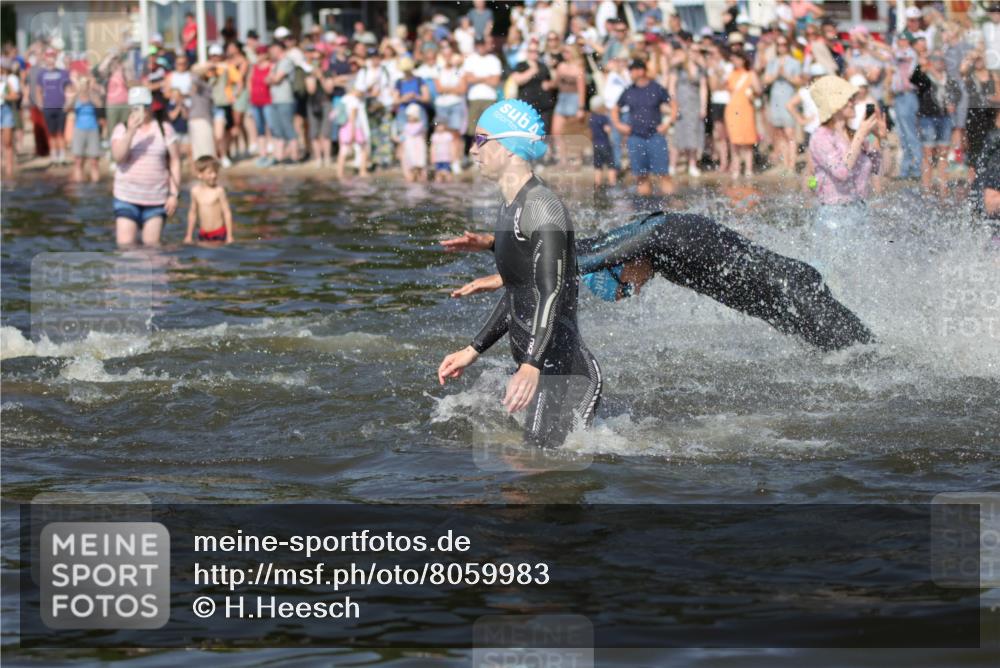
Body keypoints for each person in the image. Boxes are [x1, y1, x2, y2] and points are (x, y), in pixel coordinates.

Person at [444, 211, 876, 352]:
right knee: (855, 360)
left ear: (626, 264)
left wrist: (503, 272)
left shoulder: (661, 234)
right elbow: (588, 246)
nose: (634, 290)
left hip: (796, 294)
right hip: (785, 306)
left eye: (624, 287)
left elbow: (585, 258)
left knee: (868, 357)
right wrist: (491, 243)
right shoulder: (657, 250)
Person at [437, 99, 602, 448]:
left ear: (509, 148)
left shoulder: (542, 207)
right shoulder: (511, 202)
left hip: (562, 370)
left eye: (481, 140)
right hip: (541, 363)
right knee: (526, 473)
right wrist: (473, 350)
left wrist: (531, 364)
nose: (472, 149)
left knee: (534, 478)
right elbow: (519, 291)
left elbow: (550, 292)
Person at [807, 75, 884, 269]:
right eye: (848, 99)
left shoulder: (851, 134)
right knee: (833, 275)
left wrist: (880, 137)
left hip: (859, 210)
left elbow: (879, 168)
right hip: (834, 217)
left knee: (859, 273)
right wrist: (860, 135)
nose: (854, 103)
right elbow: (841, 171)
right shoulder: (820, 137)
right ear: (834, 104)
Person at [110, 87, 181, 246]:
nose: (142, 111)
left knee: (151, 249)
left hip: (156, 199)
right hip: (126, 197)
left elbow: (175, 161)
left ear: (151, 106)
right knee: (126, 247)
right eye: (136, 107)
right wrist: (130, 132)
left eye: (145, 106)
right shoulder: (121, 129)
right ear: (130, 108)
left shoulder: (165, 129)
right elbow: (118, 157)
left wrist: (174, 194)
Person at [612, 59, 674, 196]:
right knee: (641, 176)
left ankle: (672, 209)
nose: (630, 74)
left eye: (632, 71)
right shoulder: (629, 91)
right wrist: (618, 125)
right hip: (635, 137)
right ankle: (645, 210)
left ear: (641, 71)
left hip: (655, 136)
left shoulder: (656, 88)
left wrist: (668, 123)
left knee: (663, 174)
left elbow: (674, 104)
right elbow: (615, 108)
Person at [910, 53, 961, 194]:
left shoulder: (948, 78)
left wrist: (953, 102)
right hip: (927, 118)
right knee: (928, 153)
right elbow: (913, 79)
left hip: (944, 118)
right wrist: (920, 65)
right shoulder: (925, 78)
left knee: (943, 153)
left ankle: (943, 186)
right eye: (937, 60)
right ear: (932, 62)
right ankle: (927, 187)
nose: (940, 62)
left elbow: (958, 93)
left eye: (942, 60)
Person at [764, 34, 802, 173]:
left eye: (784, 44)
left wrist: (786, 75)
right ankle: (785, 163)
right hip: (775, 100)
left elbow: (799, 81)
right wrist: (776, 74)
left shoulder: (794, 62)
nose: (781, 47)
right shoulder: (772, 62)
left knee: (789, 132)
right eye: (779, 44)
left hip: (788, 99)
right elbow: (766, 79)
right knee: (779, 133)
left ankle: (792, 165)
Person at [669, 43, 708, 177]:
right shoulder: (679, 68)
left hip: (694, 104)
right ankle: (672, 165)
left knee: (694, 134)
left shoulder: (700, 69)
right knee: (678, 135)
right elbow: (672, 86)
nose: (695, 53)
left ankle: (692, 164)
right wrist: (673, 105)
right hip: (681, 103)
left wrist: (703, 106)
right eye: (693, 50)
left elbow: (703, 88)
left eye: (698, 51)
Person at [724, 51, 760, 178]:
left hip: (746, 108)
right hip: (732, 109)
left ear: (743, 60)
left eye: (737, 59)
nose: (735, 62)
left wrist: (752, 92)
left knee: (747, 140)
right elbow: (723, 87)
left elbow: (758, 90)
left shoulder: (750, 74)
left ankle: (749, 169)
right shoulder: (731, 74)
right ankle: (736, 168)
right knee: (734, 140)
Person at [184, 155, 233, 244]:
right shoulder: (195, 192)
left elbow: (227, 213)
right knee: (203, 257)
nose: (214, 175)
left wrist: (229, 236)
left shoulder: (219, 191)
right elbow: (192, 213)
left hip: (219, 233)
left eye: (215, 172)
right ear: (200, 174)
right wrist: (189, 235)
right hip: (203, 234)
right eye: (210, 173)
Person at [35, 47, 71, 165]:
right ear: (45, 58)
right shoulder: (41, 74)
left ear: (55, 59)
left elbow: (69, 88)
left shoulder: (63, 73)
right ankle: (54, 156)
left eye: (52, 57)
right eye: (48, 57)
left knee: (61, 132)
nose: (50, 59)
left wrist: (68, 102)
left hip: (61, 107)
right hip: (48, 107)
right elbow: (38, 90)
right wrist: (40, 104)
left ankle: (62, 156)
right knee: (51, 133)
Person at [65, 76, 103, 183]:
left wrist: (89, 93)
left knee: (94, 161)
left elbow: (100, 105)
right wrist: (77, 93)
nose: (83, 86)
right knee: (78, 160)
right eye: (81, 84)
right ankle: (79, 185)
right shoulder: (76, 97)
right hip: (79, 129)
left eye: (85, 83)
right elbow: (66, 108)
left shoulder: (92, 96)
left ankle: (95, 186)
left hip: (92, 128)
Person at [336, 86, 369, 179]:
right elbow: (353, 119)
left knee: (342, 151)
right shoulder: (354, 101)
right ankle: (363, 171)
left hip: (343, 128)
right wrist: (352, 133)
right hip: (354, 128)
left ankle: (340, 173)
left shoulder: (343, 99)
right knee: (364, 148)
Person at [589, 95, 616, 186]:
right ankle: (612, 183)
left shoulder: (591, 118)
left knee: (598, 165)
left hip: (595, 145)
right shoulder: (603, 118)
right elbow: (607, 129)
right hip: (605, 144)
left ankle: (597, 184)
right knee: (611, 165)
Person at [1, 57, 21, 180]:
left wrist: (4, 94)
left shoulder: (11, 79)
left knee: (7, 142)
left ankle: (9, 169)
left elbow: (15, 96)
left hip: (6, 109)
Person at [400, 103, 427, 182]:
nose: (409, 118)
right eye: (408, 116)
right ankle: (411, 178)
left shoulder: (420, 125)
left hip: (418, 147)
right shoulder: (406, 125)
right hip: (409, 148)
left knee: (419, 165)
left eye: (410, 116)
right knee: (410, 165)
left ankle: (421, 178)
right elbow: (403, 137)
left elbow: (413, 132)